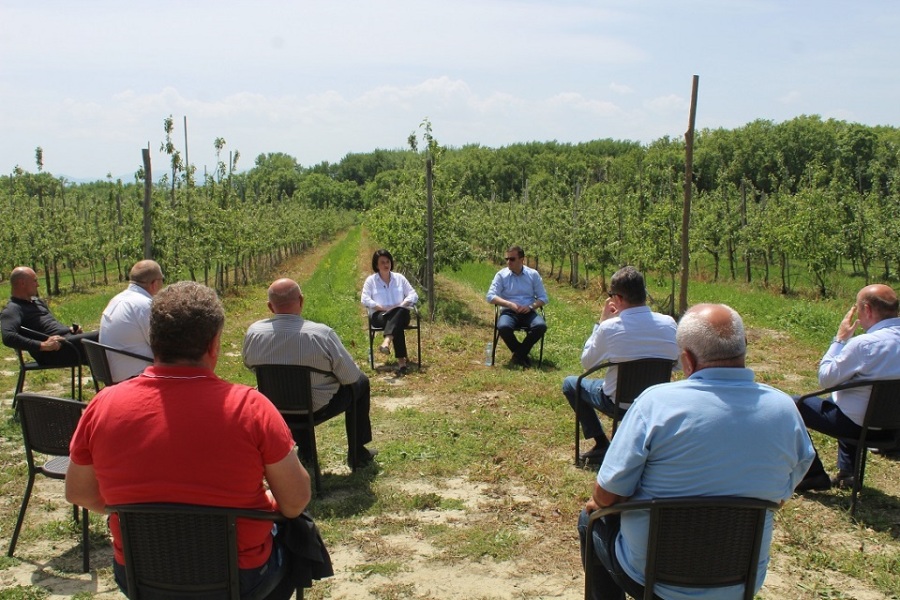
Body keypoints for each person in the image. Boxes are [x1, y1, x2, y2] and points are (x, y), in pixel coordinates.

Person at [66, 281, 311, 599]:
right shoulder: (251, 407)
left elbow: (79, 492)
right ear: (213, 345)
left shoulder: (103, 405)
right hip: (238, 579)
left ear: (153, 341)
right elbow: (295, 502)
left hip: (142, 576)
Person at [578, 303, 814, 600]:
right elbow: (783, 491)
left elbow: (607, 495)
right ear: (744, 348)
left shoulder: (655, 404)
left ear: (686, 359)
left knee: (591, 520)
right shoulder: (784, 410)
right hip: (741, 579)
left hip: (652, 577)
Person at [243, 278, 377, 469]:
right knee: (361, 383)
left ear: (270, 307)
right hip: (316, 407)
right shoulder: (321, 335)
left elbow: (249, 365)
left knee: (291, 388)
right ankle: (357, 453)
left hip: (274, 406)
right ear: (301, 300)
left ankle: (306, 451)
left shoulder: (254, 333)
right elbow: (350, 377)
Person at [562, 266, 679, 465]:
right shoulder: (669, 324)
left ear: (618, 298)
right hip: (654, 402)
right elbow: (678, 364)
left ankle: (601, 443)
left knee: (570, 384)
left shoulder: (610, 328)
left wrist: (601, 322)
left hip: (618, 403)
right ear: (644, 293)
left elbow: (587, 362)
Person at [794, 283, 900, 492]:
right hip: (894, 430)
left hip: (860, 428)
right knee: (846, 399)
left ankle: (813, 474)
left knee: (792, 403)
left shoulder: (864, 345)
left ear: (867, 309)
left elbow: (825, 379)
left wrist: (840, 340)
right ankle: (848, 473)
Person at [1, 266, 98, 366]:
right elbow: (8, 337)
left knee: (101, 350)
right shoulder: (13, 309)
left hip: (67, 343)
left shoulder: (37, 302)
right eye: (34, 281)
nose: (38, 285)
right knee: (102, 336)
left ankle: (109, 380)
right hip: (53, 352)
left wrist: (69, 330)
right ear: (22, 283)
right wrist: (43, 345)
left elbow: (50, 326)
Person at [98, 260, 164, 382]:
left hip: (112, 375)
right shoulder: (144, 306)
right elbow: (162, 346)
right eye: (162, 280)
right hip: (135, 378)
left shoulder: (116, 300)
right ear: (154, 283)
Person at [485, 245, 548, 367]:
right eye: (507, 259)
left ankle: (518, 355)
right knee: (503, 327)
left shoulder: (533, 275)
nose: (508, 262)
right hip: (509, 311)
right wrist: (509, 304)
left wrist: (530, 307)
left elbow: (543, 298)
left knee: (540, 326)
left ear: (522, 259)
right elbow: (490, 296)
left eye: (512, 259)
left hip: (528, 311)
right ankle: (521, 355)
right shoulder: (501, 275)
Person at [361, 249, 419, 374]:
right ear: (376, 265)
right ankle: (402, 363)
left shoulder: (399, 278)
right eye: (382, 262)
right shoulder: (371, 281)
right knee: (396, 322)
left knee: (399, 313)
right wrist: (382, 308)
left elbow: (413, 295)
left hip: (401, 313)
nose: (386, 265)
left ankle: (387, 341)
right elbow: (364, 299)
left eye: (388, 261)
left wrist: (401, 305)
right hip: (380, 315)